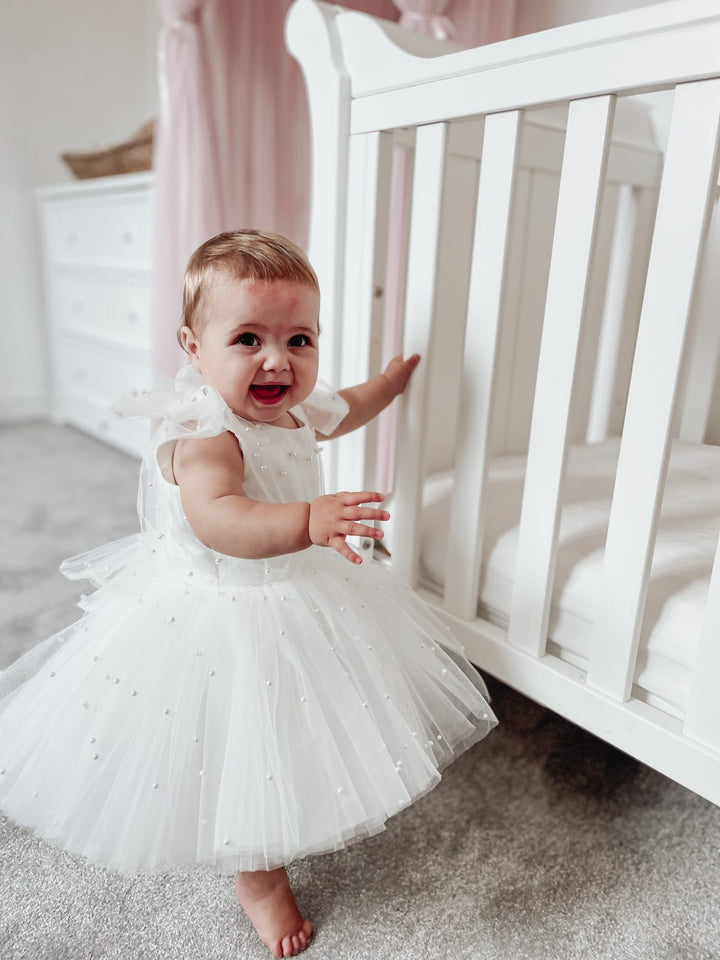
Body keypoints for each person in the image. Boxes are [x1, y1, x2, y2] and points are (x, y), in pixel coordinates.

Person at [0, 230, 497, 959]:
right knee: (246, 744)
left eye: (300, 338)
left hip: (298, 589)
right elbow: (219, 521)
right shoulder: (206, 435)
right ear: (193, 348)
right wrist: (307, 519)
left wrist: (386, 388)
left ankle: (288, 829)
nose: (278, 360)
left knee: (311, 727)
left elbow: (342, 407)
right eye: (247, 339)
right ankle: (259, 878)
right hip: (222, 610)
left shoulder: (295, 408)